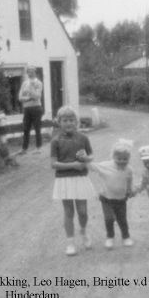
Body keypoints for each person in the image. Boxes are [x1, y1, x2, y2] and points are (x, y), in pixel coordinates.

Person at [51, 105, 97, 256]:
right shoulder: (56, 141)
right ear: (59, 122)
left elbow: (91, 156)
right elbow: (53, 164)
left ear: (76, 121)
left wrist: (85, 159)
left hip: (80, 178)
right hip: (64, 180)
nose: (68, 123)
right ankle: (70, 243)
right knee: (69, 212)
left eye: (71, 120)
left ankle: (83, 232)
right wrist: (74, 165)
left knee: (83, 211)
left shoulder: (83, 138)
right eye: (65, 120)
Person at [85, 139, 135, 250]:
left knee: (122, 219)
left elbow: (129, 180)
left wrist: (130, 190)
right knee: (109, 218)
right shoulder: (106, 166)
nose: (122, 161)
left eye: (125, 159)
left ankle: (126, 236)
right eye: (119, 159)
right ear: (113, 156)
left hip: (121, 199)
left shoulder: (129, 169)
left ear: (129, 158)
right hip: (106, 198)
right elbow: (91, 166)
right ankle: (110, 237)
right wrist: (83, 159)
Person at [18, 66, 43, 154]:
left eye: (32, 71)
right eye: (28, 72)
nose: (30, 73)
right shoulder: (24, 83)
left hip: (36, 108)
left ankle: (38, 148)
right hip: (27, 108)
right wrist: (29, 98)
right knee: (26, 128)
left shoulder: (38, 83)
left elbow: (37, 96)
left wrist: (31, 89)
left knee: (37, 128)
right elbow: (20, 97)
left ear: (35, 72)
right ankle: (24, 148)